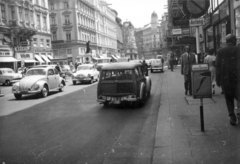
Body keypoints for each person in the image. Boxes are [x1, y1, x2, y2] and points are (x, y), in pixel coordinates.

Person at [216, 34, 240, 126]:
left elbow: (218, 66)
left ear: (226, 41)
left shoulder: (221, 51)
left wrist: (218, 80)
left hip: (226, 80)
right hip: (238, 79)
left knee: (229, 99)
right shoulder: (239, 49)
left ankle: (232, 117)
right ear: (234, 41)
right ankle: (239, 114)